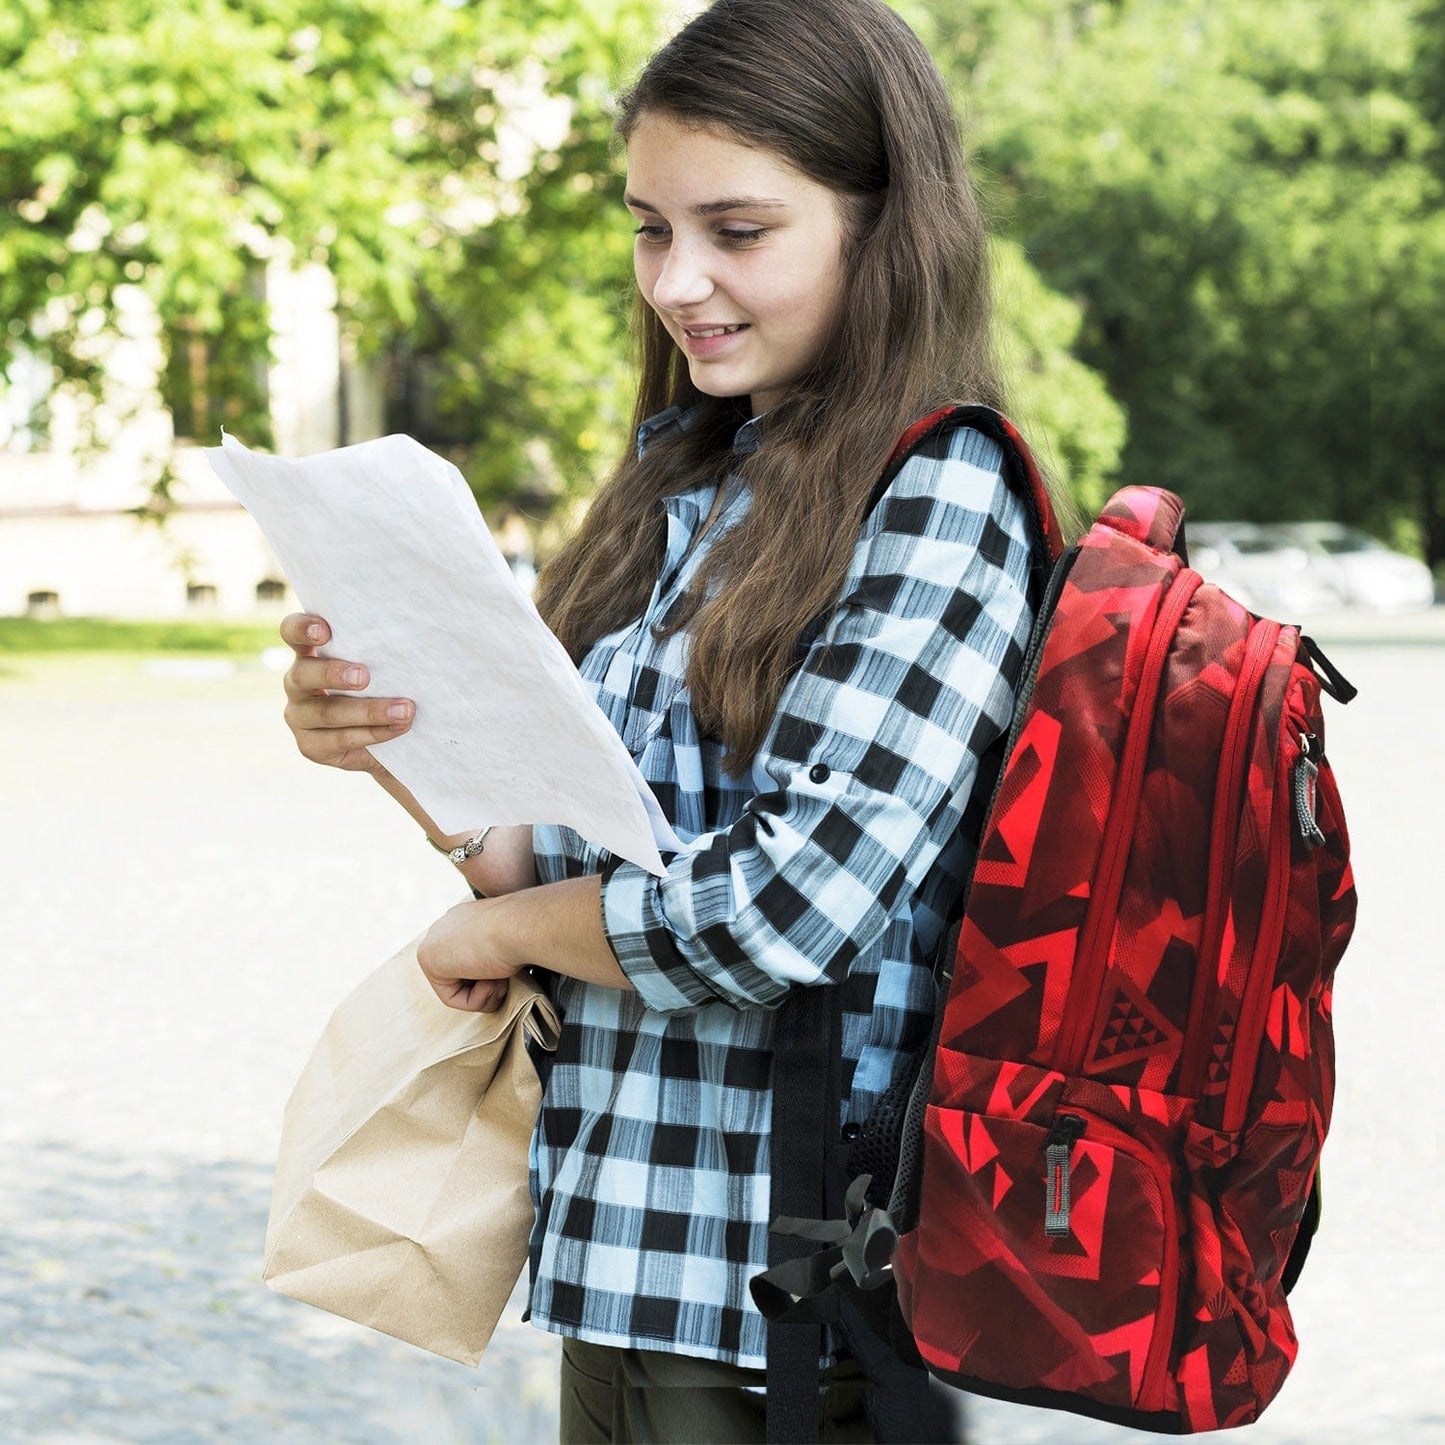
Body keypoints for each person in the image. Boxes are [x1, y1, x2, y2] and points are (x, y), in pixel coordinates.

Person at [278, 1, 1071, 1438]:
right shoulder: (691, 469)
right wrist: (407, 742)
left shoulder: (940, 492)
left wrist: (498, 935)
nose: (678, 278)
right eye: (650, 227)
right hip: (624, 1263)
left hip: (790, 1309)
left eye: (737, 229)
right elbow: (573, 859)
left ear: (882, 228)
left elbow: (784, 909)